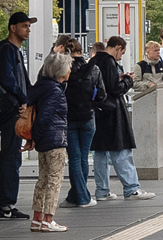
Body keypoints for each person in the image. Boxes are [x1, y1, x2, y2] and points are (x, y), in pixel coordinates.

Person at [92, 37, 154, 201]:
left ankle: (102, 190)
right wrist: (128, 80)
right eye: (122, 53)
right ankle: (131, 188)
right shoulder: (110, 62)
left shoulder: (95, 60)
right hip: (113, 112)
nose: (120, 57)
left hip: (98, 112)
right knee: (121, 151)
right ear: (118, 48)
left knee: (100, 153)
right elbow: (114, 88)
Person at [0, 12, 35, 221]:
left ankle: (6, 203)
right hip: (12, 111)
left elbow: (22, 79)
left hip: (15, 108)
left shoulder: (15, 51)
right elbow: (8, 79)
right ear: (12, 28)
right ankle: (3, 205)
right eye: (24, 26)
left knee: (12, 155)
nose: (28, 30)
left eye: (29, 26)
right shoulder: (7, 51)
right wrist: (22, 98)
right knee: (10, 155)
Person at [28, 53, 72, 232]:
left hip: (43, 142)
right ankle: (48, 219)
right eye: (68, 67)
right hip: (55, 140)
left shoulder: (41, 87)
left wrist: (34, 138)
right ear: (61, 71)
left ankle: (37, 218)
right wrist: (36, 135)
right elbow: (45, 117)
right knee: (55, 179)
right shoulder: (55, 91)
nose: (70, 70)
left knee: (43, 179)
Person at [59, 37, 99, 208]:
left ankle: (79, 196)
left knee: (74, 158)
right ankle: (80, 196)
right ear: (81, 50)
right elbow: (101, 93)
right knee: (83, 157)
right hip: (88, 117)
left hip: (69, 118)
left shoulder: (63, 68)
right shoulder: (93, 68)